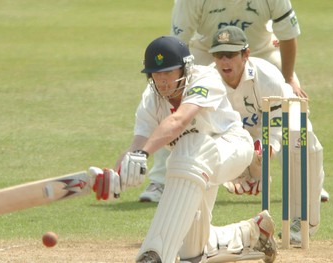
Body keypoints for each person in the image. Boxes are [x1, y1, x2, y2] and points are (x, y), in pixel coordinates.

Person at [91, 36, 277, 262]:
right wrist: (117, 174)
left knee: (190, 146)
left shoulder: (205, 78)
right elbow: (137, 144)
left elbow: (179, 121)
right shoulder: (151, 100)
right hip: (192, 169)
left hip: (232, 148)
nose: (163, 81)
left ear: (184, 68)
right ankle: (254, 234)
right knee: (191, 251)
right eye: (156, 74)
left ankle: (155, 254)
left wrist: (142, 155)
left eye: (168, 72)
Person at [139, 0, 330, 203]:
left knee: (295, 117)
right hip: (206, 52)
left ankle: (308, 184)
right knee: (177, 111)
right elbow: (176, 44)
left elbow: (287, 33)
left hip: (262, 50)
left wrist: (289, 77)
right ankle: (161, 181)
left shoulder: (268, 73)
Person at [209, 26, 324, 244]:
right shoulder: (207, 81)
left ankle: (303, 220)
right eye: (219, 55)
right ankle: (196, 226)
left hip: (281, 116)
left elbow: (276, 128)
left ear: (246, 54)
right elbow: (208, 131)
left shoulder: (266, 76)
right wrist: (235, 167)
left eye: (231, 55)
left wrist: (260, 159)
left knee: (304, 142)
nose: (225, 62)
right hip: (236, 131)